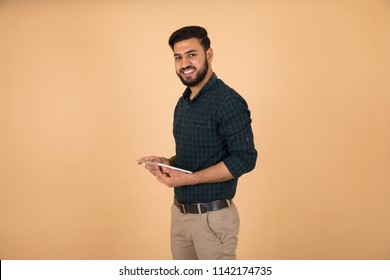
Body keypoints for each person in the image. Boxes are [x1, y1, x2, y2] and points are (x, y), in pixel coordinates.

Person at [138, 26, 257, 260]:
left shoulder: (228, 101)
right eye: (178, 57)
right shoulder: (183, 103)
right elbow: (197, 155)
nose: (184, 63)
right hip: (180, 216)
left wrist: (190, 179)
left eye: (192, 54)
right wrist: (167, 163)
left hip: (212, 221)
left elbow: (245, 159)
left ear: (209, 55)